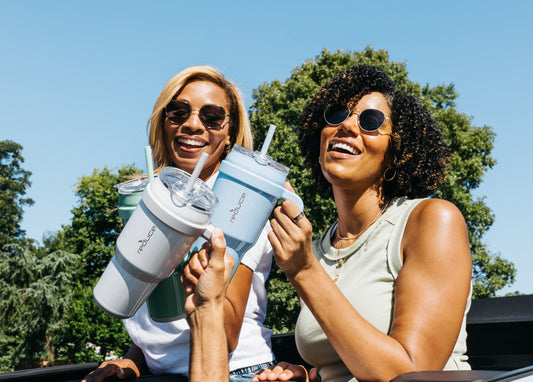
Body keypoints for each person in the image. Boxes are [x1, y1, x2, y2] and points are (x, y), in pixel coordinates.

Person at [256, 65, 472, 382]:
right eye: (336, 114)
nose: (346, 125)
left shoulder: (431, 220)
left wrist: (304, 272)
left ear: (394, 155)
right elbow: (347, 364)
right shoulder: (315, 249)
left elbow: (411, 374)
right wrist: (306, 377)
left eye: (370, 122)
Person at [82, 66, 275, 381]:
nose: (193, 125)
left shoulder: (240, 204)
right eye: (179, 112)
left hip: (233, 371)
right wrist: (134, 360)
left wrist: (202, 291)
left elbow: (225, 334)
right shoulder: (148, 198)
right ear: (164, 123)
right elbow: (159, 323)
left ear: (229, 134)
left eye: (212, 117)